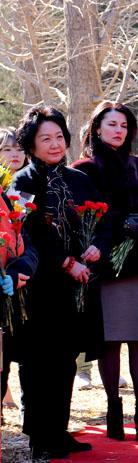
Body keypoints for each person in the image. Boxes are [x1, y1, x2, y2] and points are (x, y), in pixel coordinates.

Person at [11, 105, 104, 458]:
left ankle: (59, 431)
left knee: (66, 358)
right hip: (38, 285)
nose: (54, 144)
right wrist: (65, 262)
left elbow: (103, 219)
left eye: (59, 137)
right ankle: (38, 435)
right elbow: (28, 234)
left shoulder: (80, 180)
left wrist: (97, 246)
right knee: (37, 360)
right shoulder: (22, 181)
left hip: (75, 287)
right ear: (30, 144)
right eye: (45, 138)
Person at [73, 101, 138, 443]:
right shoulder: (84, 168)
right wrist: (118, 227)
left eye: (124, 126)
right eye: (112, 124)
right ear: (98, 128)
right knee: (110, 341)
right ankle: (114, 411)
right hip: (106, 265)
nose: (118, 131)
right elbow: (82, 216)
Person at [0, 127, 27, 412]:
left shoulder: (27, 186)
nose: (14, 154)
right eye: (7, 149)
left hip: (21, 273)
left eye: (18, 149)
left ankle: (21, 398)